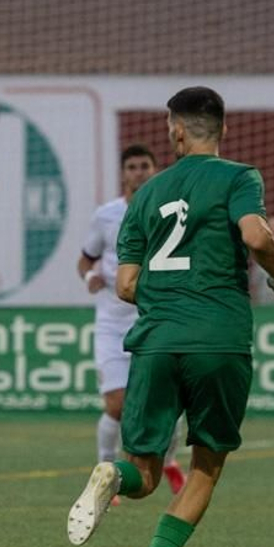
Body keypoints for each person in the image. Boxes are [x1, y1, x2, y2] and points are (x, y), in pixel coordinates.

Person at [66, 86, 274, 547]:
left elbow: (125, 284)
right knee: (206, 466)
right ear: (223, 129)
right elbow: (257, 238)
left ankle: (110, 474)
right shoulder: (240, 177)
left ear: (175, 130)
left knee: (142, 474)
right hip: (218, 338)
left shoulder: (145, 195)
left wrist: (170, 296)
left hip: (155, 341)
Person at [77, 145, 185, 496]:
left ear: (156, 170)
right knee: (117, 404)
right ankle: (103, 471)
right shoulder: (106, 215)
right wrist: (89, 278)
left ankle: (168, 460)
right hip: (112, 319)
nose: (139, 172)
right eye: (133, 167)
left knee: (167, 404)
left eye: (145, 166)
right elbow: (85, 259)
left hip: (155, 318)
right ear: (123, 173)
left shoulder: (169, 211)